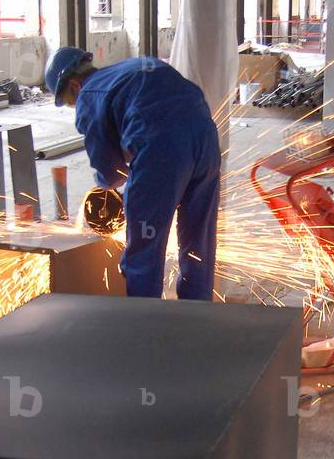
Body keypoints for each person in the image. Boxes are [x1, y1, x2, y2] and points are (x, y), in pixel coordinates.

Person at [44, 47, 221, 301]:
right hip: (206, 138)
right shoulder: (135, 66)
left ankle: (143, 321)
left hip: (162, 149)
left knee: (144, 247)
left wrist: (107, 189)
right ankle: (198, 313)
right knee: (198, 239)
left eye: (71, 102)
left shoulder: (89, 94)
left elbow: (110, 171)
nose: (75, 107)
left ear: (74, 86)